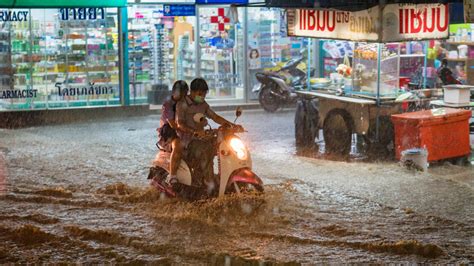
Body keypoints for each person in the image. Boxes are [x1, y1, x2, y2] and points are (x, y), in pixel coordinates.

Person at [176, 78, 240, 191]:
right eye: (200, 94)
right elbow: (179, 124)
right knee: (205, 151)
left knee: (225, 146)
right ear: (192, 91)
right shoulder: (182, 104)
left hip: (202, 138)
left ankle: (223, 178)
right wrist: (194, 132)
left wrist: (232, 126)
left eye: (204, 94)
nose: (202, 97)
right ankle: (209, 183)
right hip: (188, 142)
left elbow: (215, 117)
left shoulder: (203, 104)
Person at [157, 80, 189, 186]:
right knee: (178, 145)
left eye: (185, 93)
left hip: (184, 131)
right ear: (174, 92)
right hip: (169, 133)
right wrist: (191, 129)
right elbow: (173, 125)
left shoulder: (186, 103)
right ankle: (173, 176)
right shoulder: (168, 104)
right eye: (182, 93)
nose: (184, 96)